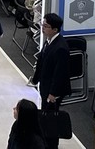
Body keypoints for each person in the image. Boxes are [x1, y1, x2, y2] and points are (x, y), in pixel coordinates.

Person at [31, 13, 71, 149]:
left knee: (51, 119)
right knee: (45, 116)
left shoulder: (61, 47)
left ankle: (51, 144)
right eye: (42, 24)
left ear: (55, 29)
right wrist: (35, 79)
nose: (42, 27)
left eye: (46, 26)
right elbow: (42, 61)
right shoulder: (49, 41)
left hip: (53, 91)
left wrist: (53, 93)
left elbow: (60, 73)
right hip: (45, 85)